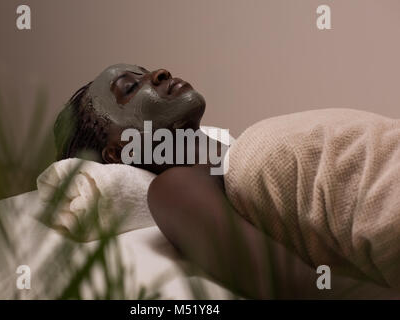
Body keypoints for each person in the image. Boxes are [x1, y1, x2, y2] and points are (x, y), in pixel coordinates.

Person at [54, 64, 400, 299]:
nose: (161, 72)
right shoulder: (175, 189)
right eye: (130, 87)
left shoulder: (237, 152)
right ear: (117, 152)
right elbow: (302, 289)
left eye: (148, 72)